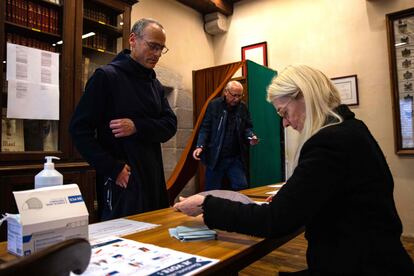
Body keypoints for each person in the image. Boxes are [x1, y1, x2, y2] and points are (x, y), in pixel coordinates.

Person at [175, 65, 414, 275]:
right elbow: (325, 187)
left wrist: (207, 204)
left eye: (283, 111)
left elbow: (274, 221)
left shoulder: (328, 142)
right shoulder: (352, 129)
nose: (285, 123)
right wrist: (292, 193)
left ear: (303, 96)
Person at [69, 18, 177, 220]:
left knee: (155, 239)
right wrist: (112, 168)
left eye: (161, 49)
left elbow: (170, 126)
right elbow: (78, 130)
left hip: (153, 178)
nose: (157, 54)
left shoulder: (155, 85)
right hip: (122, 180)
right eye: (153, 46)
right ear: (133, 40)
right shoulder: (106, 77)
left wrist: (138, 126)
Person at [192, 80, 259, 191]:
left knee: (242, 186)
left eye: (240, 96)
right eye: (234, 95)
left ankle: (237, 208)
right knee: (212, 190)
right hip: (216, 156)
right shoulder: (214, 105)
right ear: (226, 92)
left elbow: (247, 126)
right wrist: (200, 146)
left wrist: (250, 136)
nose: (237, 99)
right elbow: (205, 128)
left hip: (235, 157)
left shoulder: (243, 107)